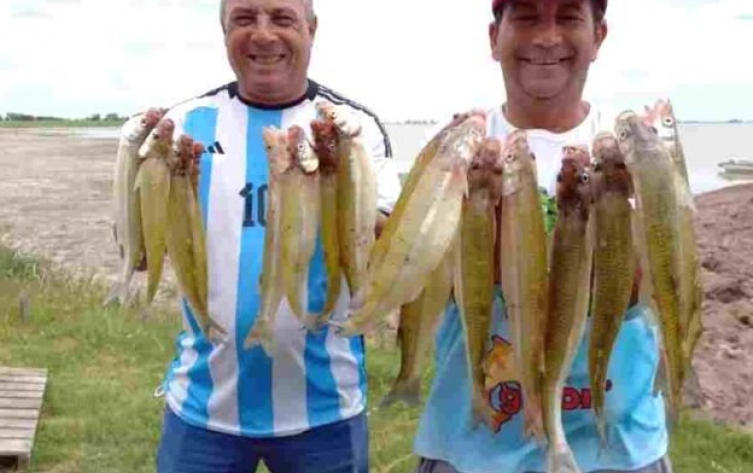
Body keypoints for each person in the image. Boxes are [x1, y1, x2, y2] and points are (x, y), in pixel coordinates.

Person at [124, 0, 401, 472]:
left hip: (326, 410)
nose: (263, 34)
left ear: (312, 30)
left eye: (282, 18)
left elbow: (383, 247)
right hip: (202, 409)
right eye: (245, 19)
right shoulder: (186, 125)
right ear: (223, 30)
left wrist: (340, 181)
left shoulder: (353, 130)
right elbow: (143, 253)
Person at [411, 1, 674, 472]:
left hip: (617, 452)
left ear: (599, 36)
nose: (547, 37)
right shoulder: (460, 143)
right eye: (527, 16)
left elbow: (644, 291)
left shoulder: (635, 149)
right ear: (495, 37)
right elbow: (416, 271)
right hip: (470, 450)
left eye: (569, 16)